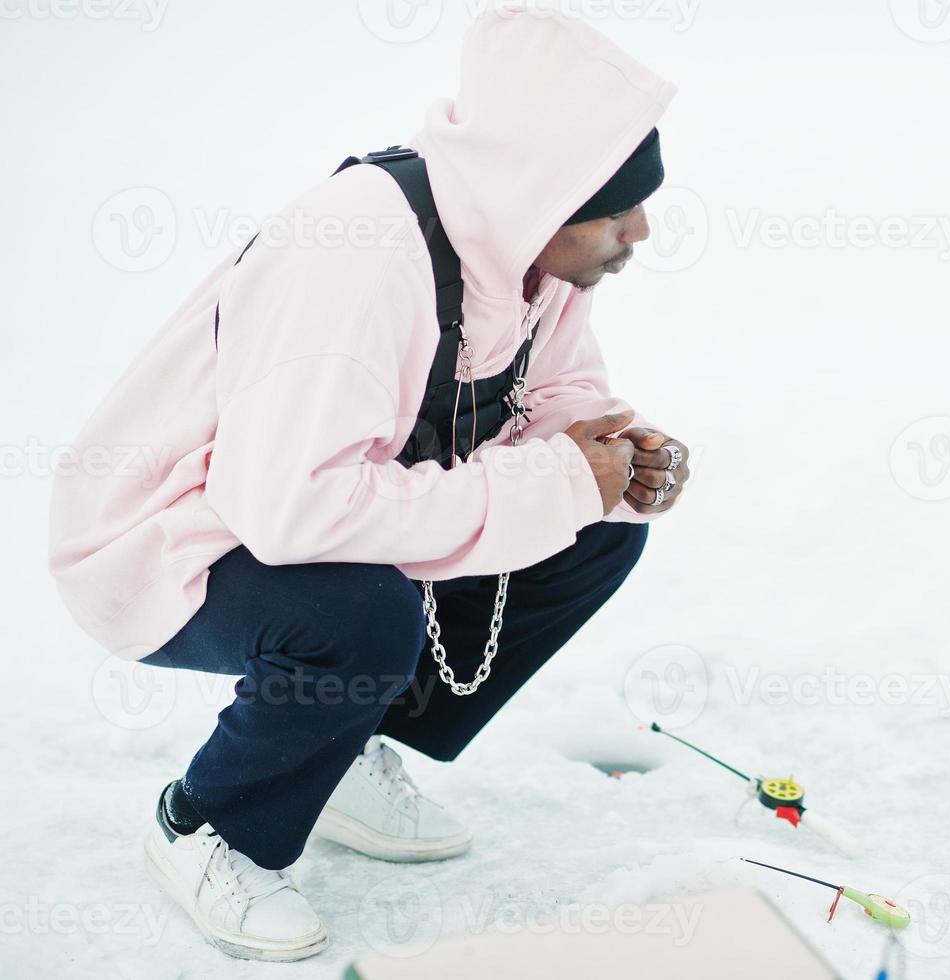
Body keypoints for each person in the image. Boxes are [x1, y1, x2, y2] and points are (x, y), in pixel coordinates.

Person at [46, 10, 690, 962]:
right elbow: (289, 509)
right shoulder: (354, 258)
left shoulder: (530, 258)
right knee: (358, 617)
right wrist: (555, 479)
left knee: (594, 529)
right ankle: (211, 825)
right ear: (537, 193)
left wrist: (605, 453)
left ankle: (336, 754)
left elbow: (553, 389)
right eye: (613, 209)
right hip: (174, 541)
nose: (640, 230)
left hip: (321, 510)